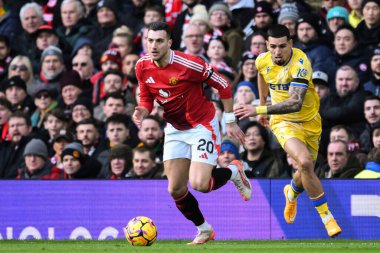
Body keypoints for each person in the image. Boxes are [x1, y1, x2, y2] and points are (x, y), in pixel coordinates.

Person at [133, 21, 251, 245]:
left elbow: (223, 85)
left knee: (199, 185)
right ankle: (204, 230)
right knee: (175, 188)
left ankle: (234, 172)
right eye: (150, 40)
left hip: (201, 125)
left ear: (170, 42)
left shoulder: (190, 64)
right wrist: (143, 110)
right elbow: (146, 96)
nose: (154, 45)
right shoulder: (141, 66)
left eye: (159, 40)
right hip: (175, 129)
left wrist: (230, 121)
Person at [234, 24, 342, 238]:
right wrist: (264, 104)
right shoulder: (262, 59)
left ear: (290, 44)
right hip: (283, 122)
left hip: (310, 121)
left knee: (306, 169)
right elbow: (263, 76)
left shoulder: (300, 63)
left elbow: (295, 103)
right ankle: (327, 217)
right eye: (272, 46)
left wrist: (259, 108)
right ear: (267, 45)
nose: (277, 52)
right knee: (305, 162)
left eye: (282, 46)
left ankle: (291, 191)